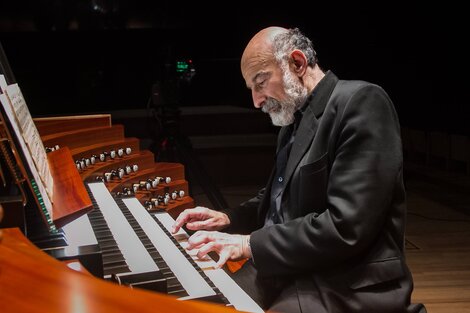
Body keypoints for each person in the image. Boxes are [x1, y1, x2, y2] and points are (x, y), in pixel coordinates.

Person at [172, 26, 427, 313]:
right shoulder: (292, 121)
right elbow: (277, 204)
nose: (256, 101)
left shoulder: (361, 102)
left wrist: (247, 244)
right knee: (198, 302)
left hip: (345, 281)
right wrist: (226, 219)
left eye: (260, 81)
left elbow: (347, 226)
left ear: (297, 63)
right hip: (290, 268)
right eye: (251, 88)